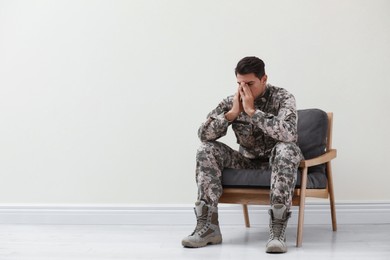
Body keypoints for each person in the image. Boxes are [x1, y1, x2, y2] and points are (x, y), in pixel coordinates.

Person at [181, 56, 303, 253]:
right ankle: (208, 228)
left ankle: (278, 230)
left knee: (286, 149)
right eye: (239, 83)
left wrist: (254, 113)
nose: (243, 89)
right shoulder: (232, 101)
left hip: (277, 161)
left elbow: (289, 134)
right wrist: (231, 114)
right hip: (246, 160)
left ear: (264, 79)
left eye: (250, 84)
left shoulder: (283, 97)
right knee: (206, 149)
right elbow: (203, 134)